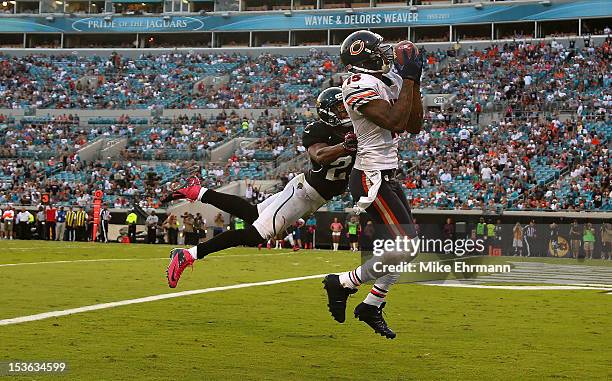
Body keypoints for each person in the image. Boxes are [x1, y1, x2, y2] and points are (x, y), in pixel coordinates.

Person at [164, 87, 357, 291]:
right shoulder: (318, 130)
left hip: (315, 198)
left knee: (252, 213)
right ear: (328, 112)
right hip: (303, 193)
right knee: (256, 234)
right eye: (340, 108)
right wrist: (344, 147)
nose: (345, 110)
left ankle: (199, 192)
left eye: (345, 106)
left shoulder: (356, 128)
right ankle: (188, 255)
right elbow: (319, 155)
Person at [324, 31, 423, 339]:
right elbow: (394, 121)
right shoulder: (355, 84)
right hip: (370, 175)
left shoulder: (388, 80)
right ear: (363, 55)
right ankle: (343, 282)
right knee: (406, 245)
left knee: (407, 247)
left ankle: (371, 303)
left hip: (388, 174)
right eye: (378, 49)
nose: (386, 53)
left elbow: (414, 125)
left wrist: (413, 80)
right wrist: (407, 79)